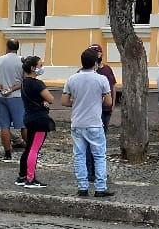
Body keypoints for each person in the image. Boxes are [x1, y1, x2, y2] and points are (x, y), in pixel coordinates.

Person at [61, 48, 115, 197]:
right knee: (99, 156)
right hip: (94, 123)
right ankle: (100, 187)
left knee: (79, 155)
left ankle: (82, 187)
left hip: (77, 122)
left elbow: (64, 101)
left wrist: (78, 102)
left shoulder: (72, 79)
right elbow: (108, 102)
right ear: (95, 64)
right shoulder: (101, 79)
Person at [0, 38, 27, 161]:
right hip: (17, 96)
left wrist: (0, 88)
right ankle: (30, 149)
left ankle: (7, 153)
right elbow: (25, 80)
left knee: (4, 126)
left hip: (1, 97)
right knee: (23, 125)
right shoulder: (22, 61)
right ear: (18, 48)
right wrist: (12, 88)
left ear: (7, 47)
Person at [17, 56, 54, 189]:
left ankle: (22, 176)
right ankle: (30, 179)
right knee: (34, 149)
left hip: (28, 117)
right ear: (33, 68)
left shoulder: (23, 83)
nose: (41, 67)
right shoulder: (37, 84)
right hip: (39, 119)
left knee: (29, 147)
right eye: (40, 65)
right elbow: (50, 99)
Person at [85, 43, 117, 183]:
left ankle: (98, 172)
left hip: (106, 110)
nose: (97, 55)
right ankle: (90, 171)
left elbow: (113, 86)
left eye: (98, 52)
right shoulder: (87, 72)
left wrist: (113, 102)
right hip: (93, 111)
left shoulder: (107, 70)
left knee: (101, 142)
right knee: (90, 143)